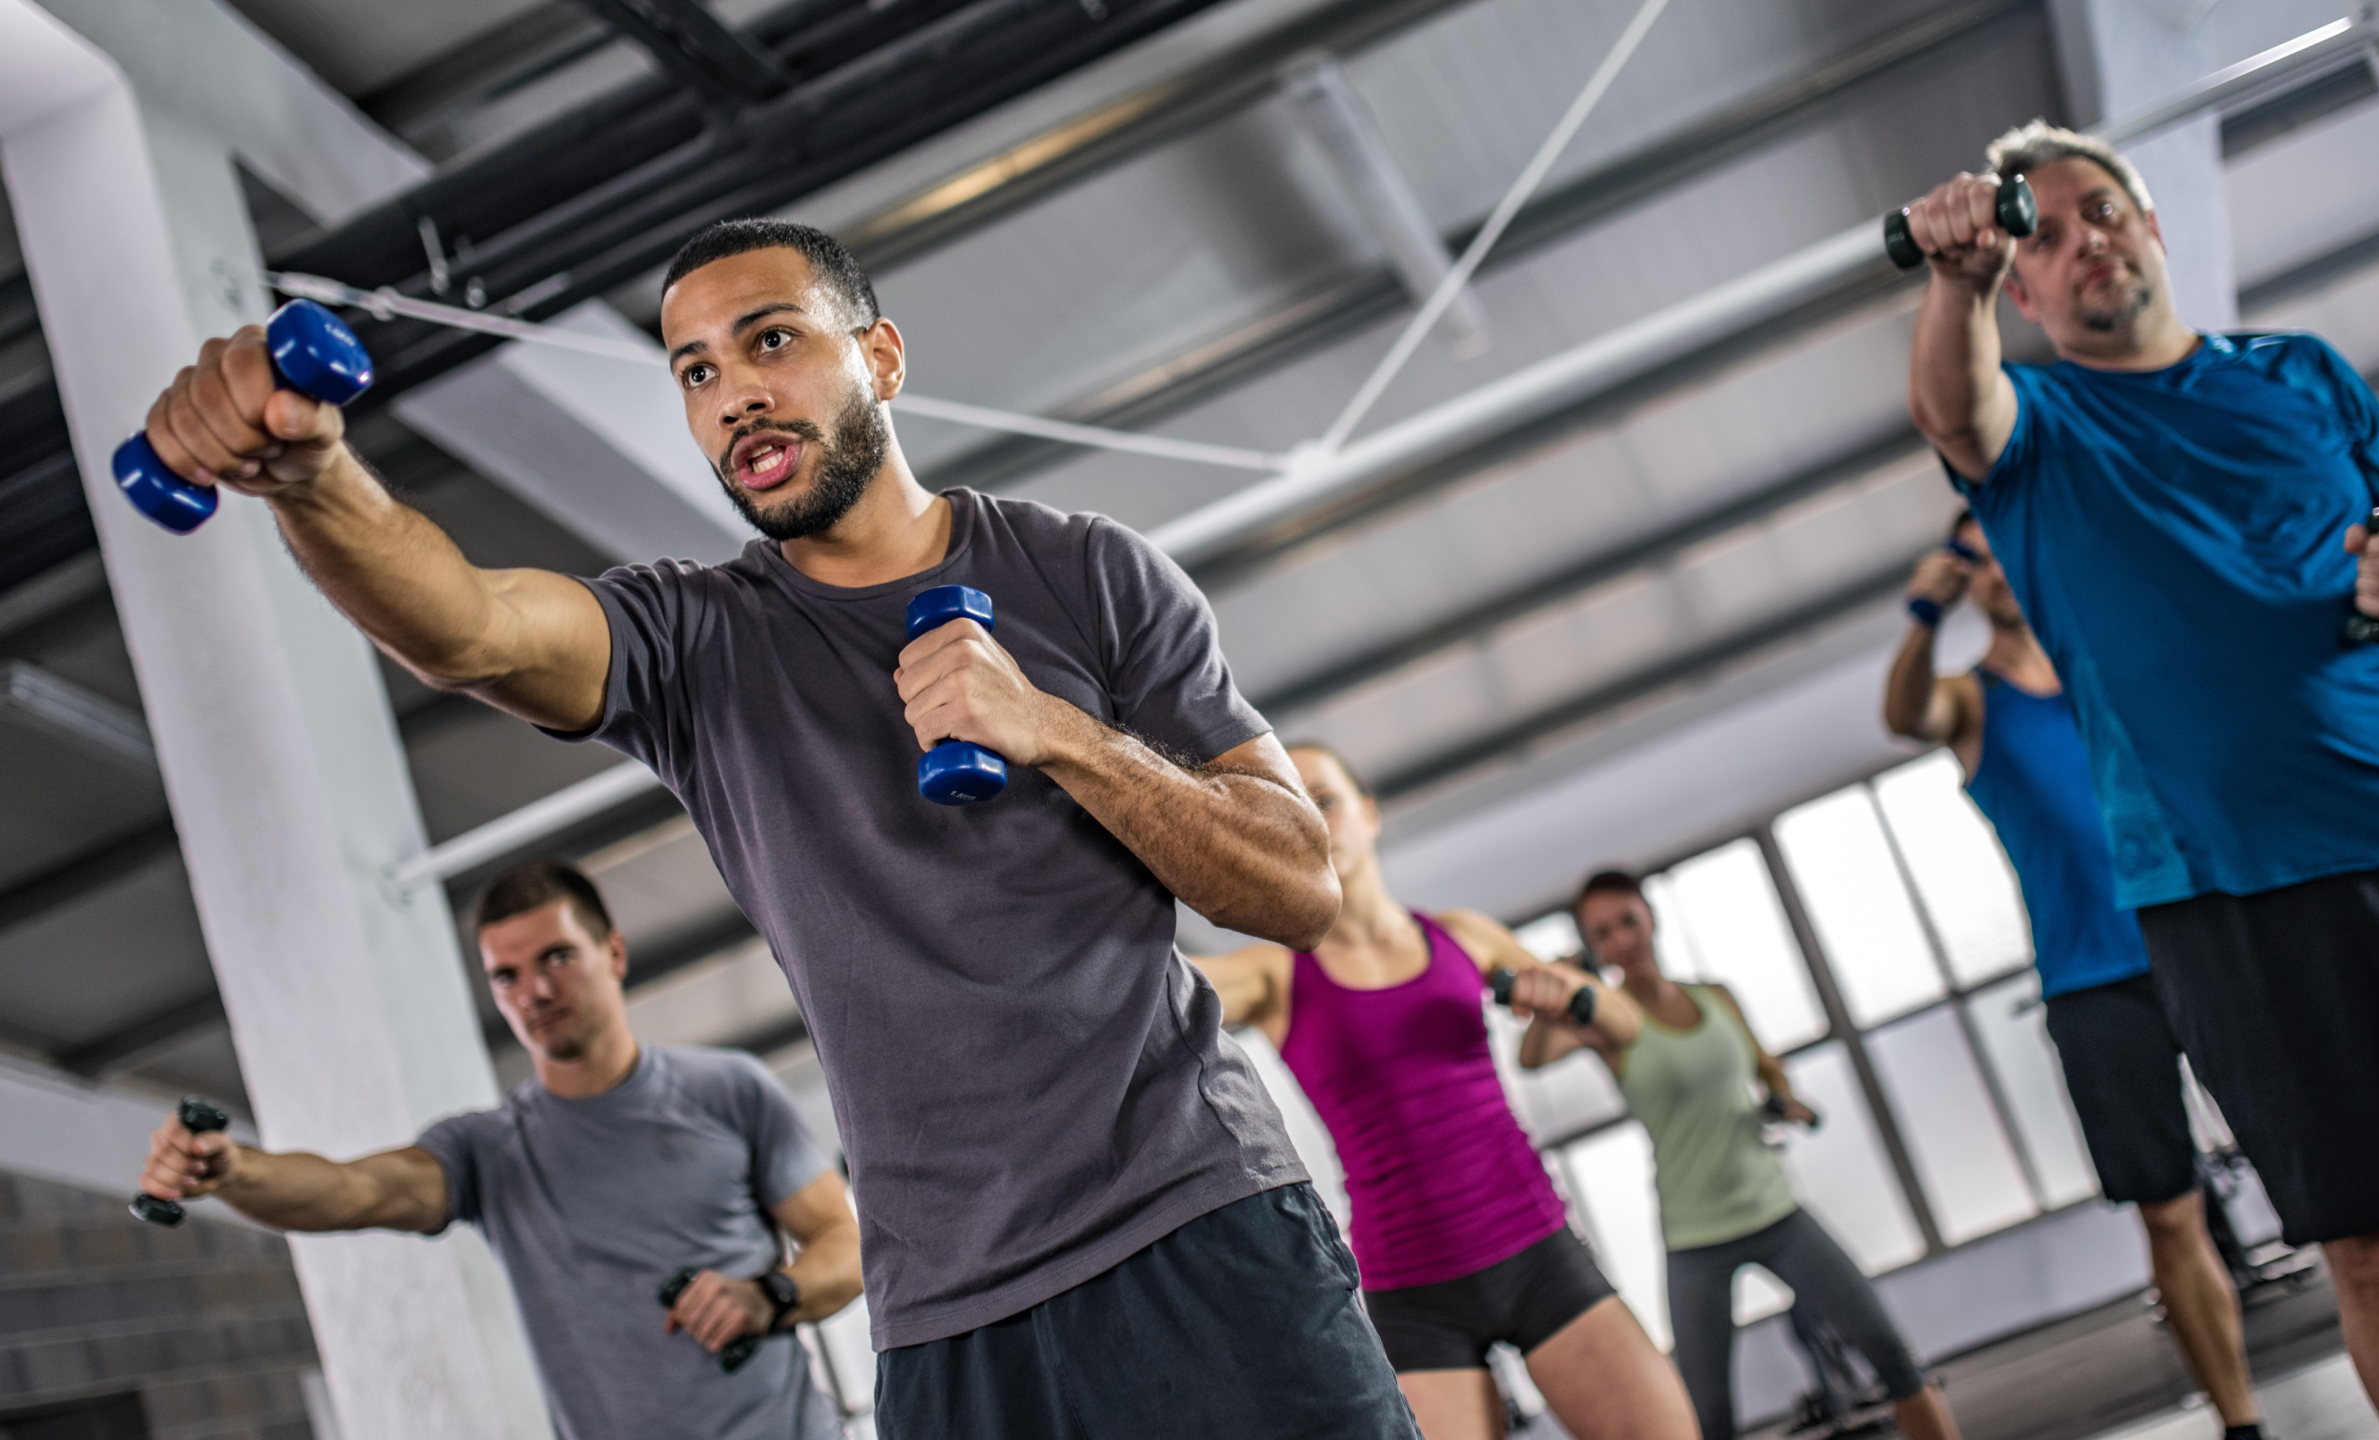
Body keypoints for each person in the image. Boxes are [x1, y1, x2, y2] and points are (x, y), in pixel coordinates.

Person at [134, 219, 1417, 1438]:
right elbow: (473, 630)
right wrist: (314, 482)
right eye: (695, 371)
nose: (734, 394)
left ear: (880, 357)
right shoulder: (695, 645)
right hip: (950, 1317)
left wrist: (1057, 732)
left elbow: (1295, 887)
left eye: (771, 341)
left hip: (1200, 1223)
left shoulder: (1087, 571)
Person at [1900, 120, 2379, 1440]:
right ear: (2022, 288)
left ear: (2152, 226)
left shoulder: (2302, 372)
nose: (2084, 240)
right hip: (2225, 899)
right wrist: (1956, 278)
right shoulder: (2036, 429)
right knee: (2371, 1249)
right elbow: (1953, 408)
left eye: (2104, 210)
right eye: (2043, 234)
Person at [134, 861, 862, 1440]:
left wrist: (769, 1296)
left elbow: (845, 1244)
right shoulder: (488, 1150)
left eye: (556, 958)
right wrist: (235, 1169)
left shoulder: (726, 1090)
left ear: (613, 953)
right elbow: (356, 1191)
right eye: (506, 976)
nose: (533, 992)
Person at [1193, 743, 1700, 1440]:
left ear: (1370, 814)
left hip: (1538, 1253)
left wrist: (1570, 995)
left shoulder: (1463, 935)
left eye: (1325, 799)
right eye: (1287, 806)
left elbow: (1625, 1023)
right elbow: (1151, 990)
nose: (1310, 818)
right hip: (1412, 1294)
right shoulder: (1275, 975)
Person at [1883, 512, 2264, 1440]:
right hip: (2094, 983)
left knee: (2338, 1166)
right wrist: (1923, 617)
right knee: (2169, 1216)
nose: (1995, 570)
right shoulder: (1972, 700)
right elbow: (1905, 716)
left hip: (2205, 938)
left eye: (2003, 548)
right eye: (1974, 561)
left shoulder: (2109, 658)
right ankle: (2242, 1426)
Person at [1536, 872, 1963, 1440]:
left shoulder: (1714, 998)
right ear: (1593, 947)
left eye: (1629, 921)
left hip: (1776, 1212)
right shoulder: (1610, 1025)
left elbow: (1766, 1067)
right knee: (1705, 1419)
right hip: (1695, 1238)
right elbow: (1533, 1056)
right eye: (1603, 933)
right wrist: (1560, 983)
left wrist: (1785, 1100)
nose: (1622, 940)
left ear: (1650, 917)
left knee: (1893, 1356)